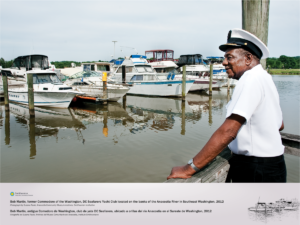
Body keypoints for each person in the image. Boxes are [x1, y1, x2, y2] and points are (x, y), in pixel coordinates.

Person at [167, 28, 286, 183]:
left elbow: (228, 131)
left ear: (248, 58)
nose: (224, 62)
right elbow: (280, 125)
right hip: (273, 165)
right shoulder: (265, 77)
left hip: (255, 169)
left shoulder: (250, 79)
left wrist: (189, 168)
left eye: (229, 57)